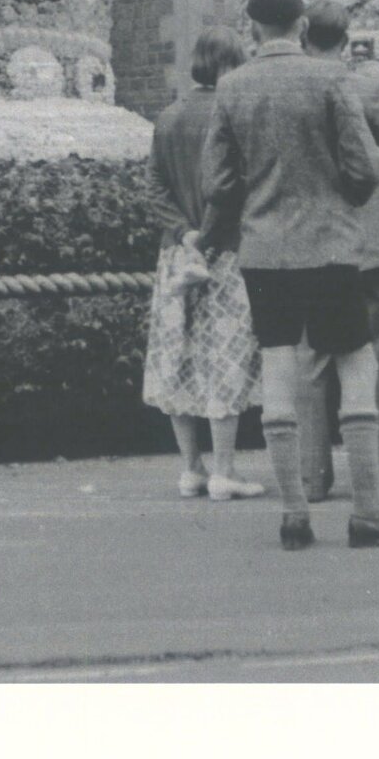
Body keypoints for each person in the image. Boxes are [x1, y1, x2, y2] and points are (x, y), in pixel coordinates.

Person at [198, 0, 379, 551]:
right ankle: (369, 512)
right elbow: (365, 164)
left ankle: (295, 513)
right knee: (355, 364)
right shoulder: (330, 79)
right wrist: (342, 200)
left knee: (280, 366)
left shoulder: (232, 87)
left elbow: (218, 181)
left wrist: (232, 222)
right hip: (329, 243)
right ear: (301, 24)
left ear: (253, 27)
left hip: (265, 249)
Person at [302, 3, 379, 497]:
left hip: (312, 238)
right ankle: (377, 468)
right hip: (376, 237)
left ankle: (313, 474)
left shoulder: (289, 88)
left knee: (312, 355)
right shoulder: (372, 89)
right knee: (375, 354)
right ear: (347, 39)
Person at [144, 27, 265, 502]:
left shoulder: (169, 117)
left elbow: (153, 188)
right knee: (224, 359)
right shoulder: (232, 116)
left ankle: (191, 468)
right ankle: (226, 470)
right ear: (230, 65)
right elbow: (229, 189)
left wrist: (183, 234)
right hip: (227, 254)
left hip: (176, 257)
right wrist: (208, 238)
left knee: (178, 358)